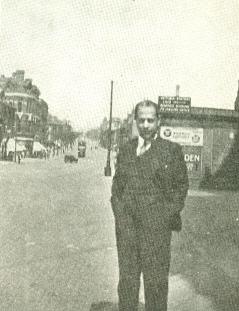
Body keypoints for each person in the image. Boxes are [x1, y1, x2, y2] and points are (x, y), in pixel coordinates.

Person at [111, 100, 189, 311]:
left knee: (155, 287)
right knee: (127, 284)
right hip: (127, 233)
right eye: (141, 120)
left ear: (158, 122)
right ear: (136, 121)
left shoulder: (171, 151)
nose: (145, 125)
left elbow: (180, 188)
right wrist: (120, 217)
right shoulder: (127, 150)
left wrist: (163, 217)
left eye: (150, 120)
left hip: (157, 234)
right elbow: (117, 189)